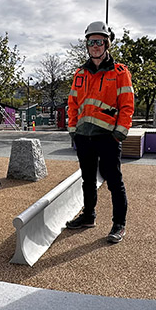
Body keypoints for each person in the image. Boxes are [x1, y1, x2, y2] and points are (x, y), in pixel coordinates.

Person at [65, 21, 134, 243]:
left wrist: (119, 133)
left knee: (114, 181)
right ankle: (88, 216)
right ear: (87, 44)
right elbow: (73, 104)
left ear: (107, 44)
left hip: (108, 138)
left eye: (100, 41)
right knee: (87, 180)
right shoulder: (80, 73)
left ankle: (118, 224)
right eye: (91, 41)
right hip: (84, 137)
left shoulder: (120, 72)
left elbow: (127, 105)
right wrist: (73, 130)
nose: (95, 46)